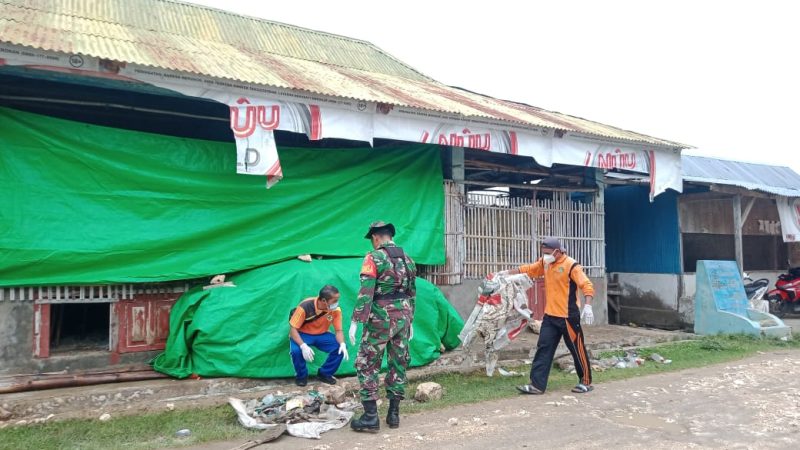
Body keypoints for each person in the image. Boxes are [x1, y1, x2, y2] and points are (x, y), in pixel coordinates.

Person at [498, 237, 595, 395]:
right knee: (543, 348)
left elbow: (587, 285)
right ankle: (537, 385)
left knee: (577, 349)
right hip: (550, 316)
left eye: (548, 253)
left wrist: (588, 305)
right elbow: (529, 269)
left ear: (557, 251)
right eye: (543, 253)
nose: (545, 256)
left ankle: (585, 382)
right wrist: (506, 273)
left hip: (568, 316)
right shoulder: (546, 263)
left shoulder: (571, 265)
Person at [349, 221, 416, 432]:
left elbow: (366, 290)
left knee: (366, 363)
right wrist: (410, 320)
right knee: (398, 362)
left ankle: (370, 417)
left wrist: (356, 320)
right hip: (403, 315)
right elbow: (412, 292)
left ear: (376, 237)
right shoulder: (408, 259)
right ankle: (394, 415)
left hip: (381, 316)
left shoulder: (373, 257)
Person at [288, 285, 349, 386]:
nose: (337, 303)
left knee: (340, 348)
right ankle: (301, 376)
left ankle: (324, 374)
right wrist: (303, 346)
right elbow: (293, 330)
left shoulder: (336, 310)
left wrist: (342, 343)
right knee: (296, 351)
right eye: (335, 300)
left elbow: (339, 331)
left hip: (322, 334)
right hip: (302, 334)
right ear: (324, 300)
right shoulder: (305, 306)